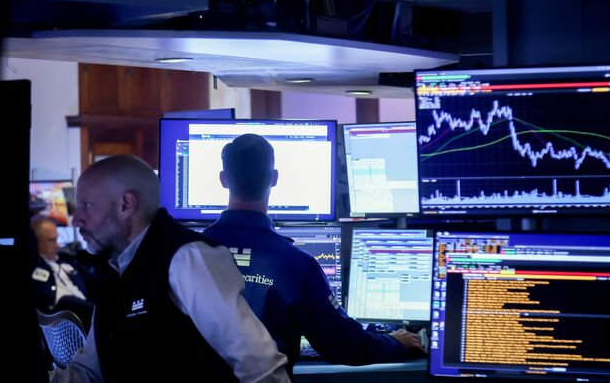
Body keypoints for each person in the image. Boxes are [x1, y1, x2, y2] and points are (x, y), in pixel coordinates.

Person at [52, 154, 288, 383]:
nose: (76, 220)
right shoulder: (116, 270)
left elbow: (259, 365)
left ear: (126, 205)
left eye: (86, 206)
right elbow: (90, 371)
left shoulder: (186, 257)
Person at [203, 134, 425, 372]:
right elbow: (343, 344)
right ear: (274, 178)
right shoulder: (296, 265)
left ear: (223, 180)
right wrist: (395, 343)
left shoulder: (187, 253)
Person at [30, 215, 94, 327]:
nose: (57, 245)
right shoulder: (34, 267)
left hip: (85, 314)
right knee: (67, 300)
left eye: (57, 239)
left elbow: (95, 282)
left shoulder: (68, 262)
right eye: (51, 240)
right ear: (35, 242)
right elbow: (44, 297)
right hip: (58, 323)